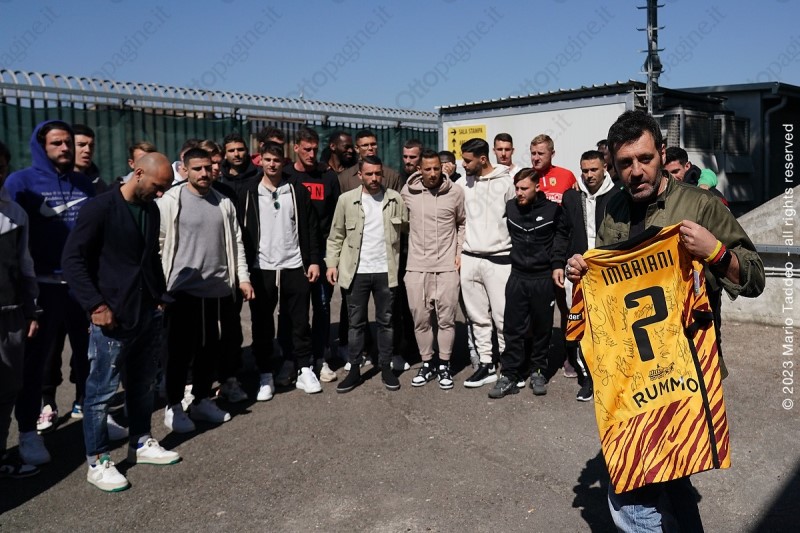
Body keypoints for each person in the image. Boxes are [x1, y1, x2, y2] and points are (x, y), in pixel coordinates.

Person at [565, 109, 765, 532]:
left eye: (645, 158)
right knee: (668, 479)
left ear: (661, 151)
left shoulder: (700, 204)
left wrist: (716, 252)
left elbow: (754, 278)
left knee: (630, 492)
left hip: (683, 369)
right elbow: (611, 283)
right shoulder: (613, 207)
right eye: (625, 163)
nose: (636, 171)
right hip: (631, 373)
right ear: (613, 164)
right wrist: (584, 271)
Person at [62, 152, 180, 492]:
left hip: (147, 311)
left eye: (165, 188)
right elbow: (72, 260)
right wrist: (95, 305)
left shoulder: (151, 209)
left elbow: (150, 257)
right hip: (112, 316)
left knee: (142, 385)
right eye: (158, 186)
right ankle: (97, 460)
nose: (161, 193)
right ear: (138, 173)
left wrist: (160, 295)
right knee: (100, 393)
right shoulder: (100, 208)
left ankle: (140, 441)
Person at [3, 120, 95, 465]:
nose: (66, 148)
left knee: (91, 357)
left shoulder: (83, 183)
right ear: (41, 146)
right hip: (42, 287)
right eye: (57, 143)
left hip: (80, 287)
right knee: (35, 365)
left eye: (68, 142)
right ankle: (28, 432)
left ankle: (94, 415)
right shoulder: (20, 183)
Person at [159, 148, 254, 434]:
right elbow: (159, 243)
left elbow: (236, 242)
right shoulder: (171, 201)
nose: (204, 173)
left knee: (208, 348)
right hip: (181, 290)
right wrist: (159, 287)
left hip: (217, 289)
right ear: (185, 169)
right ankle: (174, 405)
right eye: (197, 168)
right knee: (178, 351)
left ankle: (201, 399)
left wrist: (243, 278)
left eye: (208, 167)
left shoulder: (223, 201)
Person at [240, 141, 323, 399]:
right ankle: (266, 374)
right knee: (262, 323)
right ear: (260, 161)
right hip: (261, 266)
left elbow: (310, 227)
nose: (272, 164)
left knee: (299, 321)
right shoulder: (249, 190)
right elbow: (240, 231)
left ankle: (304, 368)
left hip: (294, 264)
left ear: (283, 162)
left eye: (276, 160)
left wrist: (312, 260)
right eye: (267, 160)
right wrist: (243, 270)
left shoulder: (296, 189)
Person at [326, 155, 407, 393]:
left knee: (386, 322)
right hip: (356, 272)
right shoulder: (346, 200)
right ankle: (354, 369)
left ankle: (386, 366)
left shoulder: (394, 199)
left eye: (377, 173)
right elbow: (336, 235)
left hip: (385, 271)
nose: (374, 178)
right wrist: (332, 264)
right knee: (355, 323)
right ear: (360, 175)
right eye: (369, 174)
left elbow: (407, 230)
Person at [488, 168, 567, 398]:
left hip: (542, 278)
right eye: (517, 188)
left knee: (542, 328)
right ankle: (509, 374)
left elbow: (560, 239)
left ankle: (538, 371)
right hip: (518, 276)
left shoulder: (553, 210)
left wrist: (557, 264)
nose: (519, 193)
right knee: (512, 328)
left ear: (537, 187)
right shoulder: (511, 207)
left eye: (524, 188)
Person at [552, 150, 620, 402]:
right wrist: (558, 263)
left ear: (605, 168)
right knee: (582, 327)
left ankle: (612, 378)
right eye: (585, 170)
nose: (589, 175)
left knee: (611, 327)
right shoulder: (571, 196)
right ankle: (589, 378)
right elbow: (561, 232)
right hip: (577, 273)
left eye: (594, 170)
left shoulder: (618, 195)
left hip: (609, 273)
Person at [401, 149, 465, 390]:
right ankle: (427, 363)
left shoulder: (455, 192)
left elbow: (462, 223)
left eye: (436, 168)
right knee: (421, 319)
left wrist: (458, 253)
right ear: (420, 170)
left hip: (446, 266)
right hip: (417, 267)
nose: (432, 173)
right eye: (427, 169)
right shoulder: (407, 193)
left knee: (447, 319)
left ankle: (444, 365)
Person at [283, 126, 341, 382]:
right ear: (296, 148)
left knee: (322, 306)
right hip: (293, 250)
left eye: (315, 149)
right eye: (306, 149)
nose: (311, 154)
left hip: (324, 251)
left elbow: (337, 215)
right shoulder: (286, 176)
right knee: (292, 309)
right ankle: (292, 359)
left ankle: (320, 356)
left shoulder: (327, 177)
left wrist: (334, 254)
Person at [457, 138, 515, 388]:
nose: (463, 164)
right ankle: (486, 364)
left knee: (503, 318)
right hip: (469, 258)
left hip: (499, 259)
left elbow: (515, 218)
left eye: (467, 161)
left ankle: (509, 367)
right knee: (477, 317)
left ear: (482, 159)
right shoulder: (461, 184)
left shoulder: (507, 183)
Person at [0, 140, 40, 479]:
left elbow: (25, 265)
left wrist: (30, 311)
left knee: (7, 389)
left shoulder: (15, 214)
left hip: (10, 313)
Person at [530, 133, 578, 377]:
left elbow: (576, 211)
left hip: (560, 252)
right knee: (537, 309)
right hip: (535, 255)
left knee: (566, 306)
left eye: (541, 153)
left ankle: (570, 355)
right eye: (533, 153)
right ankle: (538, 357)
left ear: (552, 154)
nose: (536, 158)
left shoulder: (566, 176)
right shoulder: (527, 178)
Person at [338, 129, 403, 192]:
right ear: (357, 148)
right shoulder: (345, 178)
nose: (370, 148)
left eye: (373, 144)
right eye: (365, 145)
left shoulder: (392, 176)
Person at [218, 132, 262, 200]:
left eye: (240, 150)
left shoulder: (258, 175)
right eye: (231, 151)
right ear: (225, 154)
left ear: (247, 151)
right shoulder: (219, 178)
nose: (236, 154)